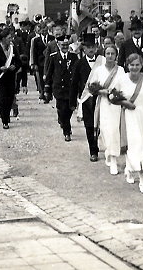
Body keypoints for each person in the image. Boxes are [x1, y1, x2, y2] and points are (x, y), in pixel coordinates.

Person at [113, 53, 143, 193]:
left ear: (141, 65)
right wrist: (125, 103)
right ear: (127, 65)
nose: (135, 67)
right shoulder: (122, 79)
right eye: (132, 65)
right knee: (135, 145)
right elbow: (112, 96)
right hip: (130, 116)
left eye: (137, 65)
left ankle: (129, 169)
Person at [88, 44, 125, 175]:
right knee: (104, 130)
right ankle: (109, 152)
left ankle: (114, 159)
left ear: (116, 55)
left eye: (112, 54)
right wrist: (104, 92)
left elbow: (124, 86)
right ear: (104, 55)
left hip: (116, 104)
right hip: (103, 103)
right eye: (107, 53)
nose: (110, 56)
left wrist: (116, 94)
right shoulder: (99, 70)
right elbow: (91, 87)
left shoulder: (120, 70)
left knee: (114, 130)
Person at [70, 33, 102, 162]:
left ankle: (96, 143)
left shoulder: (102, 61)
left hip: (100, 98)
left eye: (93, 46)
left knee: (99, 125)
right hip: (86, 99)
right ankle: (93, 150)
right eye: (88, 47)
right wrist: (72, 102)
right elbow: (74, 83)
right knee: (89, 125)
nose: (91, 49)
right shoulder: (79, 63)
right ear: (83, 48)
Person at [44, 35, 79, 142]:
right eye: (62, 45)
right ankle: (67, 132)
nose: (65, 47)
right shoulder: (54, 57)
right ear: (58, 45)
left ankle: (64, 122)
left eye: (66, 45)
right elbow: (49, 74)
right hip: (59, 89)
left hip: (70, 89)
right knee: (62, 109)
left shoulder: (73, 57)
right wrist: (47, 90)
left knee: (69, 109)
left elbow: (77, 72)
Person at [0, 29, 22, 129]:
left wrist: (15, 67)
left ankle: (6, 114)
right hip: (0, 78)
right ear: (2, 39)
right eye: (8, 38)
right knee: (2, 99)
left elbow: (18, 62)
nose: (10, 40)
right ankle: (4, 120)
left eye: (11, 38)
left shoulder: (13, 49)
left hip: (10, 77)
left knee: (10, 98)